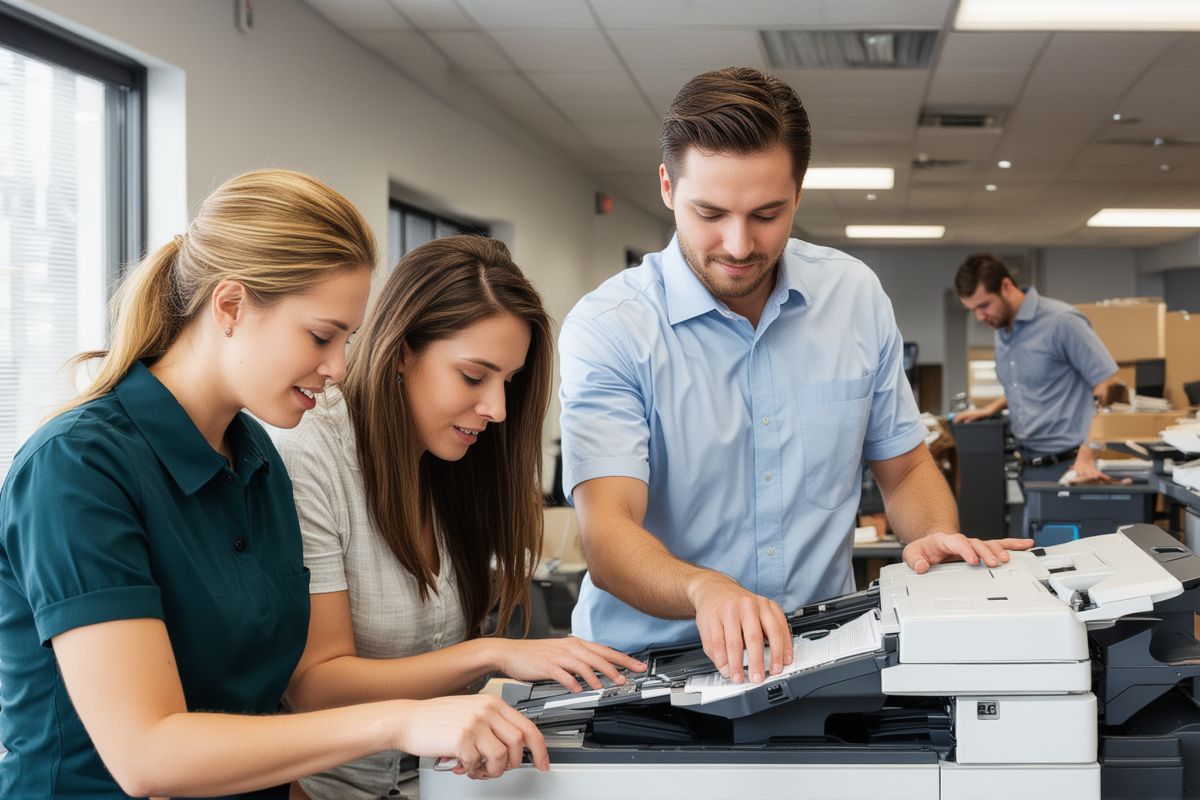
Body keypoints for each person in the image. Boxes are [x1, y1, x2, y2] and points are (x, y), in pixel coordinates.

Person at [0, 170, 547, 799]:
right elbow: (148, 755)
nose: (339, 369)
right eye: (321, 336)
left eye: (346, 339)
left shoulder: (254, 457)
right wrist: (400, 720)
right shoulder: (78, 467)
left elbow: (257, 714)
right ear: (230, 306)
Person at [557, 67, 1033, 687]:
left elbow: (908, 466)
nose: (737, 244)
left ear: (798, 194)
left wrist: (937, 537)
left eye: (766, 214)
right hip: (647, 669)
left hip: (820, 653)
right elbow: (609, 532)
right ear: (669, 187)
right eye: (710, 213)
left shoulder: (854, 297)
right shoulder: (610, 326)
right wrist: (706, 590)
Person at [277, 235, 644, 800]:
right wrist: (493, 651)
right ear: (402, 351)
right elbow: (315, 686)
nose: (497, 410)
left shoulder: (448, 463)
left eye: (509, 382)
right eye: (474, 377)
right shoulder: (311, 451)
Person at [954, 253, 1120, 486]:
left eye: (984, 305)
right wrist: (992, 407)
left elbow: (1108, 386)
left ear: (1006, 286)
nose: (980, 316)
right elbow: (1025, 382)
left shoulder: (1062, 321)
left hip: (1071, 466)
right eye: (973, 310)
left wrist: (1087, 454)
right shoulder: (1002, 329)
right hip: (1029, 465)